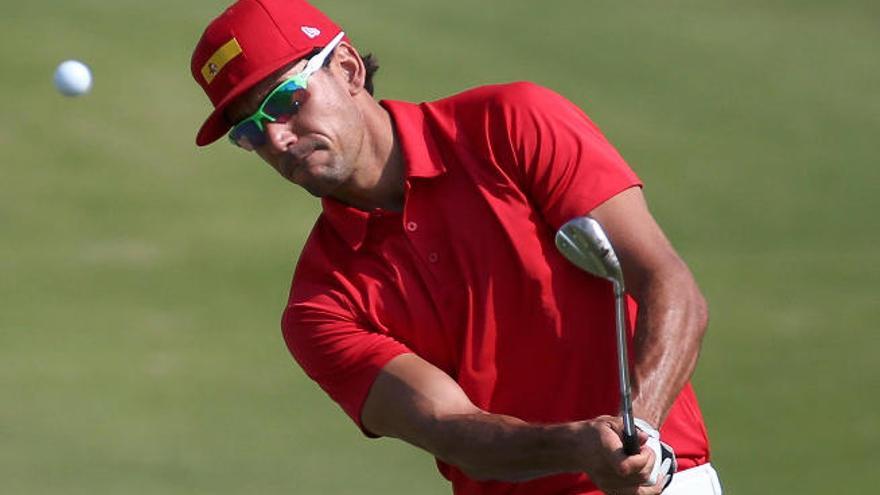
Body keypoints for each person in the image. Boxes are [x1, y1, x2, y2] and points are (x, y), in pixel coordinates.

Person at [190, 1, 723, 493]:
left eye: (287, 100)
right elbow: (453, 430)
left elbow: (668, 285)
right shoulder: (319, 305)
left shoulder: (513, 124)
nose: (277, 139)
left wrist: (641, 437)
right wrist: (578, 445)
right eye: (250, 132)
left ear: (349, 68)